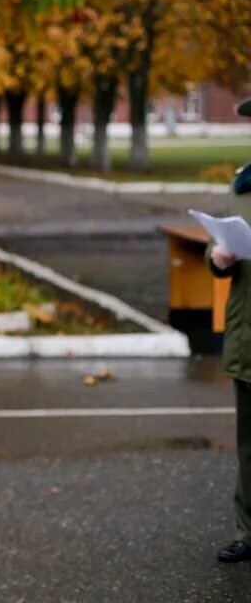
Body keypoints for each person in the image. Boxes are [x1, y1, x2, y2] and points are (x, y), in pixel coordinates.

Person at [209, 98, 251, 564]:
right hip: (249, 332)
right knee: (249, 446)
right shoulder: (243, 185)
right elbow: (219, 247)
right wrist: (218, 258)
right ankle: (248, 530)